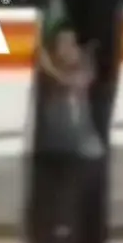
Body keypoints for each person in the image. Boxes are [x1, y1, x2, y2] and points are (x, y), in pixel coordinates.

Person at [35, 23, 106, 160]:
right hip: (51, 144)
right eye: (62, 43)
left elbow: (76, 81)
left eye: (71, 43)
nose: (67, 48)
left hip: (80, 143)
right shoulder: (48, 70)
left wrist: (50, 69)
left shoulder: (84, 67)